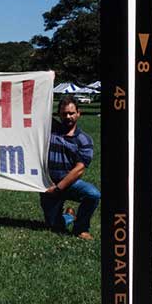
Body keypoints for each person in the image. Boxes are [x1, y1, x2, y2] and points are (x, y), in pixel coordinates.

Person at [40, 97, 100, 240]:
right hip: (48, 184)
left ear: (79, 113)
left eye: (71, 113)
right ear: (58, 114)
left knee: (93, 194)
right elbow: (36, 112)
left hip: (69, 184)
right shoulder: (51, 130)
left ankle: (81, 228)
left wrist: (58, 188)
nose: (67, 117)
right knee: (55, 226)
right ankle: (69, 216)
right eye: (64, 113)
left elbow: (79, 168)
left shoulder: (84, 140)